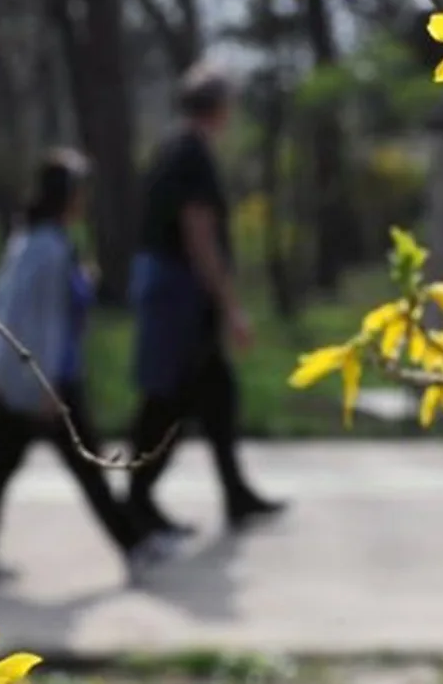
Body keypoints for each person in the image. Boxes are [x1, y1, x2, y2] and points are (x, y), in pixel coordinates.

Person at [0, 148, 170, 584]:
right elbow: (40, 321)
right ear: (67, 196)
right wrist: (44, 385)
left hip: (31, 377)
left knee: (8, 465)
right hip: (44, 379)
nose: (85, 202)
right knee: (82, 465)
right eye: (81, 193)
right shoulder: (47, 248)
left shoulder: (37, 241)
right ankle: (134, 544)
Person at [126, 63, 286, 538]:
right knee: (168, 398)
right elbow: (198, 233)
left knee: (217, 394)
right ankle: (137, 499)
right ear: (218, 107)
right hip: (182, 293)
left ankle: (234, 493)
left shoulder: (174, 146)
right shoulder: (191, 153)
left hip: (171, 286)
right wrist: (230, 305)